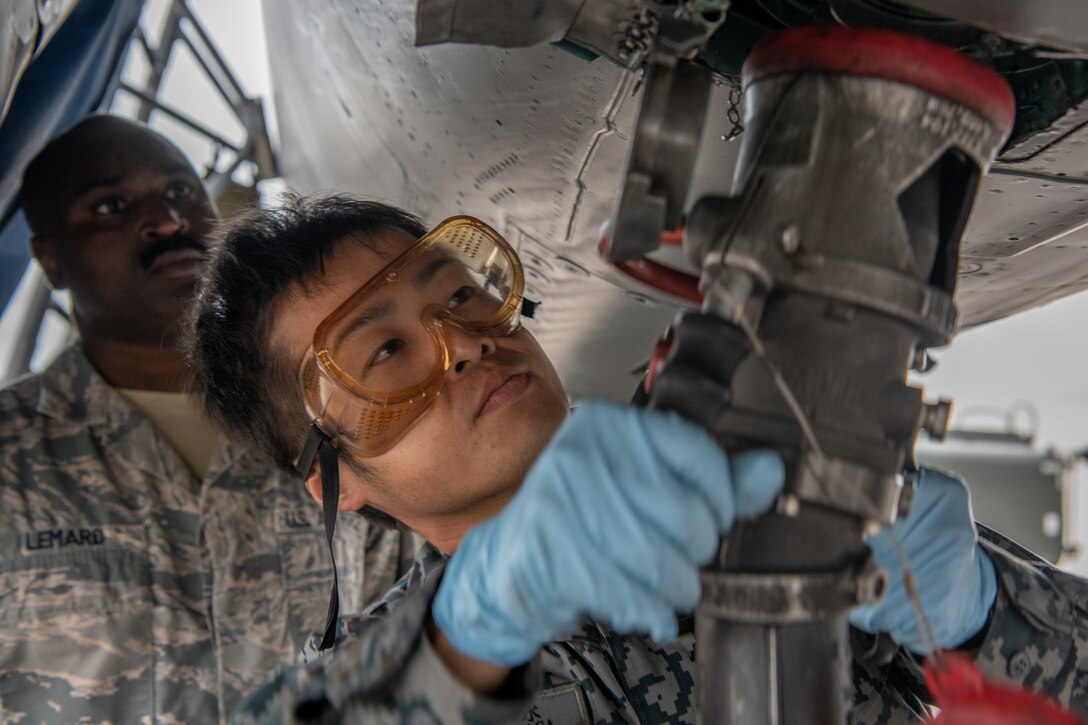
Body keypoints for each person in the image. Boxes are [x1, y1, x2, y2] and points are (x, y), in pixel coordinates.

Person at [189, 194, 1088, 723]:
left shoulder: (766, 511)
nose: (463, 346)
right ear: (329, 478)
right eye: (385, 355)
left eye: (462, 296)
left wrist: (981, 610)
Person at [0, 117, 414, 723]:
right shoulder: (12, 457)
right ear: (49, 259)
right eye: (111, 206)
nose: (168, 221)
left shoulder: (330, 412)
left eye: (180, 192)